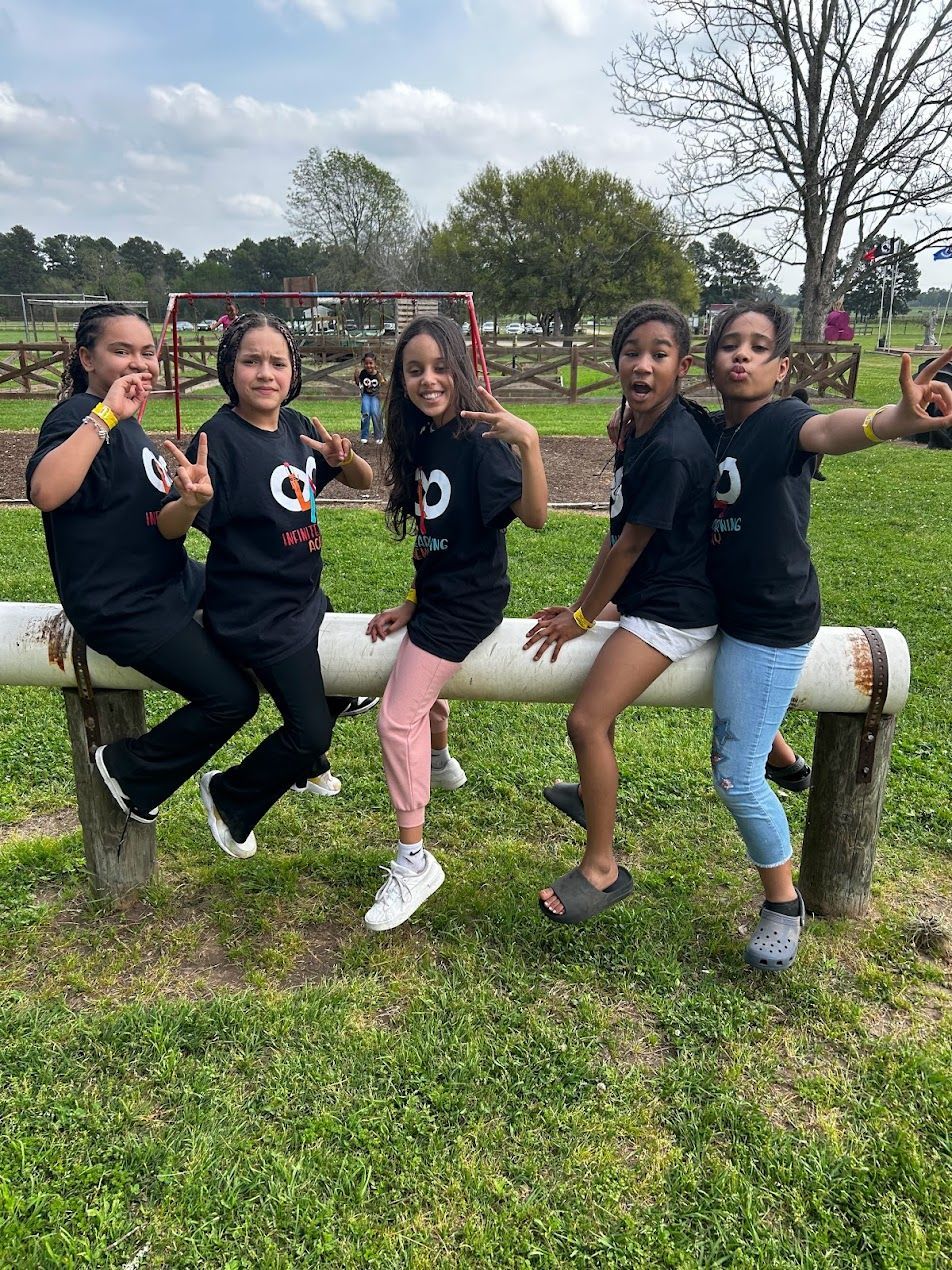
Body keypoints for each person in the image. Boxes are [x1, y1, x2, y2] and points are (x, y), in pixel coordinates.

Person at [698, 301, 952, 970]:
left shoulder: (782, 422)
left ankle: (784, 902)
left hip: (770, 624)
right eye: (730, 344)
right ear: (712, 362)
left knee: (733, 775)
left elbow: (835, 430)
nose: (742, 355)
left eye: (758, 346)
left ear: (781, 367)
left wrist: (896, 418)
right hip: (721, 612)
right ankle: (787, 758)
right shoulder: (714, 433)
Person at [26, 303, 259, 835]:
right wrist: (104, 416)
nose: (140, 362)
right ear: (86, 357)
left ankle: (321, 726)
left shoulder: (129, 426)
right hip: (124, 607)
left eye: (148, 351)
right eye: (121, 350)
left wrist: (192, 503)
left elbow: (155, 525)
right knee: (232, 698)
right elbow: (45, 491)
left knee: (257, 589)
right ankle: (132, 770)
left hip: (170, 579)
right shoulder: (80, 414)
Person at [524, 302, 718, 924]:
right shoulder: (641, 425)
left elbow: (628, 544)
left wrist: (585, 618)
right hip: (645, 595)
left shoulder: (671, 449)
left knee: (586, 721)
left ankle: (602, 868)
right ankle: (592, 794)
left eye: (660, 354)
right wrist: (589, 606)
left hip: (674, 611)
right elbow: (615, 534)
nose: (643, 364)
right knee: (591, 718)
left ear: (682, 366)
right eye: (632, 352)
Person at [158, 312, 373, 857]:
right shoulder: (217, 440)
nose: (265, 373)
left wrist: (343, 462)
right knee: (309, 731)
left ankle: (311, 758)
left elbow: (362, 481)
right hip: (256, 614)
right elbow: (169, 525)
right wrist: (189, 502)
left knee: (333, 699)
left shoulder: (294, 424)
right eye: (251, 361)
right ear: (229, 367)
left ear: (293, 371)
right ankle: (230, 794)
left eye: (278, 362)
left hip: (301, 599)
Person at [363, 315, 548, 931]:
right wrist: (414, 599)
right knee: (418, 697)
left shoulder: (478, 441)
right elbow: (434, 536)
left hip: (469, 603)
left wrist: (529, 442)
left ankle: (414, 860)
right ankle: (441, 762)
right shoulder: (423, 439)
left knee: (395, 717)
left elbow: (537, 517)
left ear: (461, 371)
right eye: (414, 369)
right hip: (437, 597)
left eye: (441, 367)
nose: (429, 379)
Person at [354, 351, 385, 444]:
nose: (368, 365)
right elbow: (359, 384)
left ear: (375, 363)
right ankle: (364, 436)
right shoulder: (363, 373)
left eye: (371, 363)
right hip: (366, 395)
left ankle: (379, 435)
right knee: (366, 413)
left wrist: (383, 390)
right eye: (366, 363)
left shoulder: (378, 375)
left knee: (375, 413)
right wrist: (356, 378)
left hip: (375, 396)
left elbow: (384, 385)